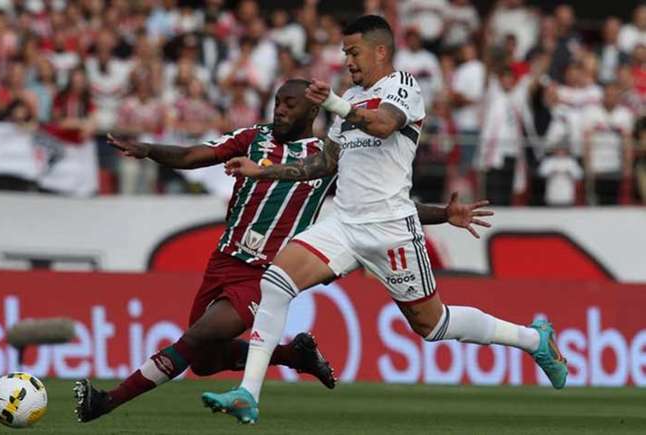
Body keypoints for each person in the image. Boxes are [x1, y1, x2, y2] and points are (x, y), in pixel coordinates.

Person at [202, 15, 567, 425]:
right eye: (344, 53)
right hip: (344, 224)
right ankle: (248, 394)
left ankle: (534, 339)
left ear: (380, 51)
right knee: (275, 282)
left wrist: (334, 103)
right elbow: (325, 163)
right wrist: (261, 170)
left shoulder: (403, 87)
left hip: (391, 229)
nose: (348, 61)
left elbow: (383, 125)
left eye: (353, 52)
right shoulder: (350, 99)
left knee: (434, 325)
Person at [72, 79, 492, 423]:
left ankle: (105, 402)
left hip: (265, 272)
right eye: (277, 102)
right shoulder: (253, 138)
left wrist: (444, 214)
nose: (280, 110)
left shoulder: (328, 157)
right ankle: (295, 355)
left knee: (196, 338)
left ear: (312, 113)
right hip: (223, 260)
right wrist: (148, 150)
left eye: (290, 104)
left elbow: (388, 209)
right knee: (202, 361)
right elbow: (195, 154)